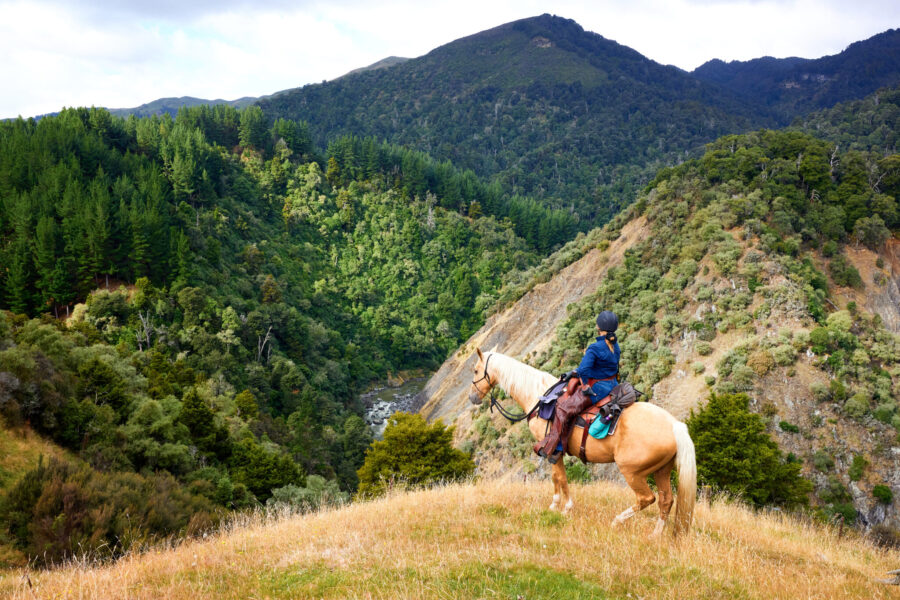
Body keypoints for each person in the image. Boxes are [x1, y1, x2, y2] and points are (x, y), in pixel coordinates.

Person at [534, 310, 621, 463]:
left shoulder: (594, 348)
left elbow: (584, 370)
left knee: (563, 408)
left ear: (598, 327)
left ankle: (556, 447)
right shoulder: (615, 346)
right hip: (613, 385)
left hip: (598, 389)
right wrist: (575, 372)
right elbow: (600, 368)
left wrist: (583, 381)